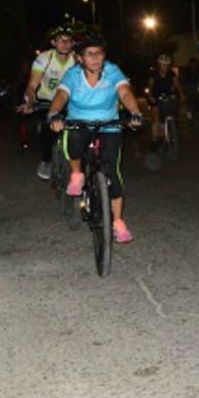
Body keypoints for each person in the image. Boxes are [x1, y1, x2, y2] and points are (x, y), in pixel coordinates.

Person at [46, 33, 143, 243]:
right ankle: (76, 173)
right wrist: (53, 115)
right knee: (71, 138)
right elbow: (61, 96)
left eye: (99, 53)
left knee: (113, 172)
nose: (95, 58)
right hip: (79, 123)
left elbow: (125, 92)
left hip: (109, 125)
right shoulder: (72, 75)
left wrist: (135, 112)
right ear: (80, 58)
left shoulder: (112, 71)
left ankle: (117, 221)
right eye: (90, 54)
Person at [18, 25, 77, 180]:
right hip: (47, 100)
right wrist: (30, 102)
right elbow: (31, 86)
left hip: (70, 101)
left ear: (73, 44)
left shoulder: (77, 59)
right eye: (60, 41)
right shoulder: (44, 58)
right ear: (53, 43)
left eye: (68, 41)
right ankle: (47, 161)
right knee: (47, 126)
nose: (64, 44)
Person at [146, 54, 185, 150]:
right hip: (157, 97)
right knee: (156, 116)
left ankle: (174, 132)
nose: (165, 67)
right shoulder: (154, 74)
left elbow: (177, 85)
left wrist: (181, 94)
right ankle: (155, 139)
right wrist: (150, 96)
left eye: (167, 65)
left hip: (168, 96)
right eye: (163, 65)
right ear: (159, 65)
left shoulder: (171, 73)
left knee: (174, 110)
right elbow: (150, 86)